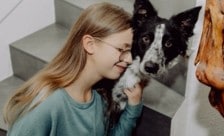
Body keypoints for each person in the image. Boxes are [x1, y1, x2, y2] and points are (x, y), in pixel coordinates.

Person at [3, 2, 144, 136]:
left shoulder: (99, 98)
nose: (129, 59)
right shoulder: (46, 104)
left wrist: (133, 107)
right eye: (121, 49)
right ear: (90, 44)